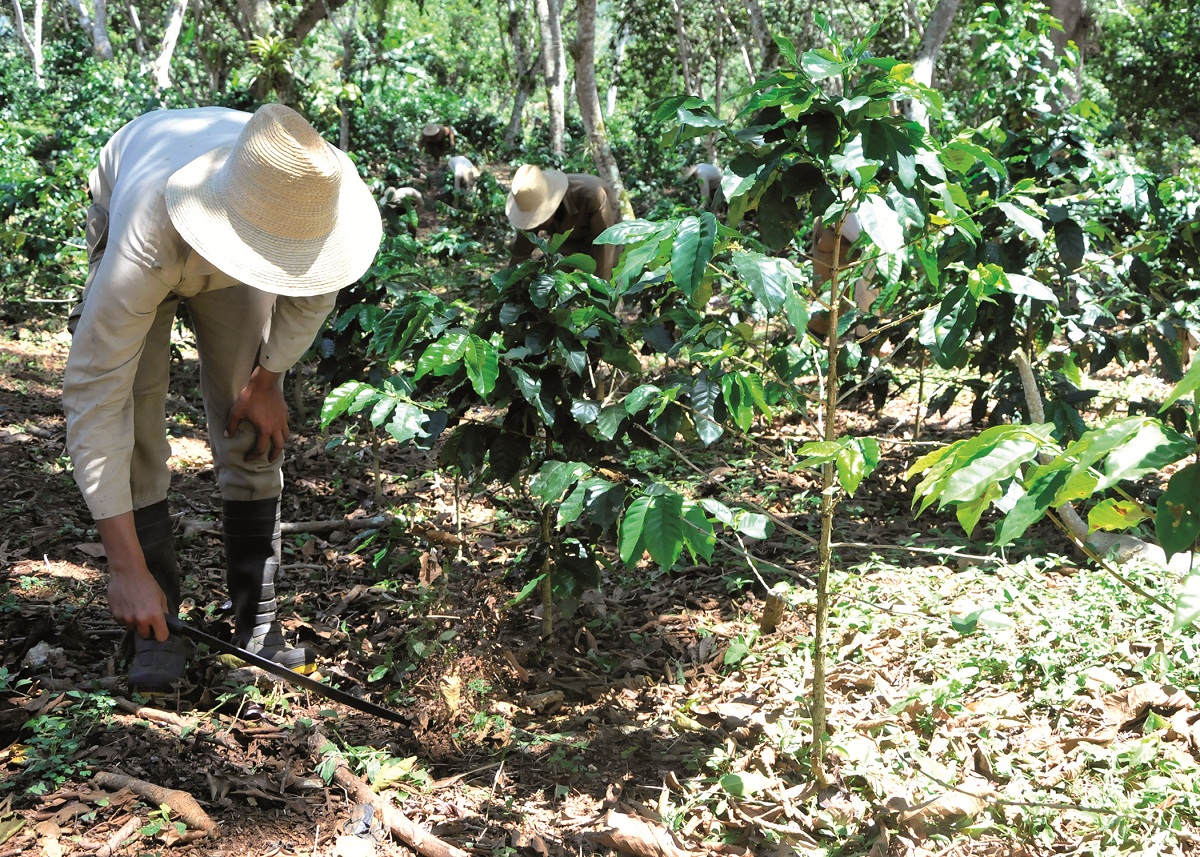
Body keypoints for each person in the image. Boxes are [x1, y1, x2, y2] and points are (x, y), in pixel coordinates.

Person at [63, 103, 382, 693]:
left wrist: (267, 378)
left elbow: (311, 297)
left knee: (251, 422)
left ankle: (256, 620)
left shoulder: (311, 200)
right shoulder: (145, 237)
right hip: (161, 217)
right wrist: (124, 569)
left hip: (245, 220)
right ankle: (154, 620)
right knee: (135, 413)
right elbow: (96, 392)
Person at [506, 164, 620, 280]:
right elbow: (520, 252)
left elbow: (605, 246)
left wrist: (601, 289)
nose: (538, 224)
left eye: (539, 217)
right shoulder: (530, 199)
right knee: (555, 278)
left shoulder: (592, 195)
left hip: (603, 234)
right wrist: (511, 288)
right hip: (566, 239)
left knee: (610, 277)